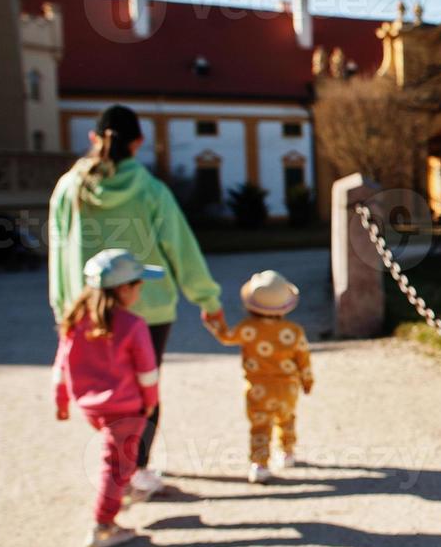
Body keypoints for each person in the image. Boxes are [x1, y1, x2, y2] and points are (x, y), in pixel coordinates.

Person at [48, 105, 225, 497]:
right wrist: (207, 297)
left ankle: (117, 464)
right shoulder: (151, 190)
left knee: (106, 388)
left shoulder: (69, 188)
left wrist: (63, 307)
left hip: (90, 308)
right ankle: (135, 467)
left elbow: (59, 252)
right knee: (145, 387)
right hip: (150, 308)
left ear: (94, 139)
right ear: (138, 143)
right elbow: (180, 247)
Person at [53, 249, 166, 547]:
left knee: (119, 458)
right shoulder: (132, 324)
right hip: (126, 408)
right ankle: (103, 525)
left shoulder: (76, 321)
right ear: (124, 288)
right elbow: (147, 372)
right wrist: (151, 402)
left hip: (93, 408)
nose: (141, 290)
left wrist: (61, 400)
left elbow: (62, 365)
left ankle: (123, 493)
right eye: (139, 284)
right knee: (116, 465)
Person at [206, 270, 314, 484]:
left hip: (258, 389)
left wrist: (214, 321)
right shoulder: (293, 331)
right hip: (288, 387)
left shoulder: (248, 328)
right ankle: (288, 452)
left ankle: (260, 464)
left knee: (260, 425)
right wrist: (307, 380)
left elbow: (226, 337)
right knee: (287, 418)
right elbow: (303, 359)